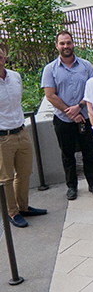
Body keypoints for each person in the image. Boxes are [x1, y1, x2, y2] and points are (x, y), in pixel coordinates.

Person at [42, 32, 93, 201]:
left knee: (89, 152)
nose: (66, 46)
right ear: (57, 45)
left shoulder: (85, 66)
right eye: (62, 43)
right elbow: (50, 95)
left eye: (68, 43)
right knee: (67, 154)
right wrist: (70, 111)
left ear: (73, 44)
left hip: (86, 116)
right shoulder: (50, 69)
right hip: (63, 119)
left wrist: (79, 107)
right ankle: (71, 187)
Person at [0, 47, 39, 228]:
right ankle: (12, 212)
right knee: (6, 178)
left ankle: (23, 207)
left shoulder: (15, 76)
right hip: (2, 138)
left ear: (4, 57)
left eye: (0, 56)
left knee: (25, 172)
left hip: (22, 132)